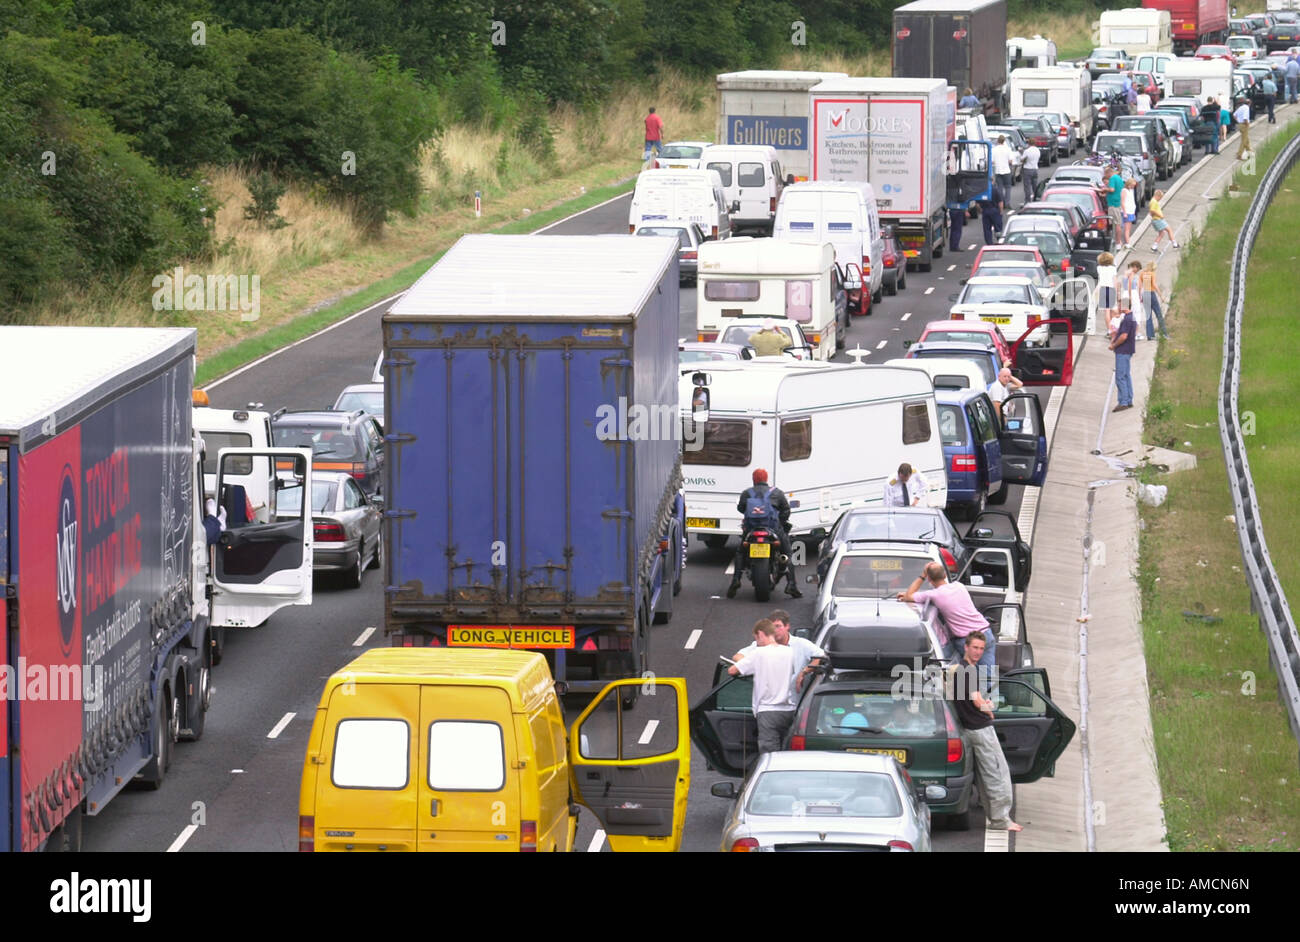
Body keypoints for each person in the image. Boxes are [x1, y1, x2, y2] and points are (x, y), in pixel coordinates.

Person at [947, 633, 1021, 831]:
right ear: (966, 647)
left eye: (981, 648)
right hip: (980, 729)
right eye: (975, 648)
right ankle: (1001, 820)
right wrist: (988, 710)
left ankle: (996, 816)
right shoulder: (968, 671)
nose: (978, 652)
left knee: (983, 776)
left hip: (967, 728)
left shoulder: (957, 670)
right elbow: (976, 700)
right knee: (997, 773)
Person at [898, 561, 997, 675]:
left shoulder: (933, 595)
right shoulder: (959, 586)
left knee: (970, 678)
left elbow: (909, 596)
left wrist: (922, 575)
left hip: (968, 639)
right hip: (986, 632)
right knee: (989, 677)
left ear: (929, 579)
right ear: (945, 575)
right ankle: (989, 692)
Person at [727, 468, 802, 598]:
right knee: (787, 553)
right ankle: (791, 585)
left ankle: (736, 580)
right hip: (772, 529)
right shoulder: (777, 492)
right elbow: (786, 510)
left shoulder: (747, 493)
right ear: (766, 479)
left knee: (740, 552)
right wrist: (780, 522)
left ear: (754, 480)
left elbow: (740, 508)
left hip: (752, 529)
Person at [728, 619, 797, 753]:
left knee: (769, 753)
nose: (757, 642)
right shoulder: (789, 652)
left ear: (760, 633)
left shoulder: (759, 653)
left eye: (756, 638)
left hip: (768, 710)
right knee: (787, 751)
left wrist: (750, 664)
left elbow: (732, 670)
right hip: (789, 709)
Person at [733, 609, 826, 695]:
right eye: (772, 627)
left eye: (778, 626)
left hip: (795, 705)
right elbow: (738, 656)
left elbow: (822, 656)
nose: (775, 631)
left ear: (787, 626)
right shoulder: (761, 644)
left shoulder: (801, 644)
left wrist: (804, 672)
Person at [1109, 297, 1137, 412]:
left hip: (1123, 351)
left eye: (1120, 305)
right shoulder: (1131, 317)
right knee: (1126, 375)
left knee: (1120, 376)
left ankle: (1123, 402)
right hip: (1128, 350)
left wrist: (1114, 345)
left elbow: (1124, 336)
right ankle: (1129, 399)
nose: (1118, 308)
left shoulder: (1126, 320)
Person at [1140, 261, 1169, 340]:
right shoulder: (1152, 274)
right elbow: (1154, 285)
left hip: (1145, 294)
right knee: (1158, 314)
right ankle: (1164, 333)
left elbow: (1140, 286)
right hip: (1151, 294)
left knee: (1148, 316)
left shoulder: (1142, 273)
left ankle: (1150, 335)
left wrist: (1140, 297)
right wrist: (1161, 295)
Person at [1095, 251, 1118, 334]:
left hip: (1102, 289)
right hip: (1111, 289)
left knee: (1106, 311)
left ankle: (1109, 329)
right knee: (1112, 311)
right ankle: (1113, 327)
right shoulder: (1113, 269)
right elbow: (1115, 281)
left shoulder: (1099, 268)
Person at [991, 135, 1016, 205]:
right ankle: (1007, 202)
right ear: (1004, 141)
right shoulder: (1008, 149)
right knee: (1008, 187)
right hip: (1007, 170)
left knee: (1000, 187)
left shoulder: (994, 150)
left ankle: (1000, 202)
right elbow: (1010, 161)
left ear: (997, 141)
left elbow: (992, 161)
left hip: (998, 170)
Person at [1121, 260, 1144, 339]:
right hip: (1132, 293)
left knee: (1124, 313)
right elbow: (1130, 284)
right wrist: (1131, 296)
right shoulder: (1132, 273)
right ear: (1135, 267)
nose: (1137, 271)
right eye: (1138, 269)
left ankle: (1123, 332)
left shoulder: (1125, 273)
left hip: (1125, 293)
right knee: (1136, 313)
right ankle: (1135, 333)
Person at [1100, 165, 1124, 236]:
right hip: (1117, 202)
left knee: (1116, 224)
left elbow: (1112, 189)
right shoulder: (1118, 178)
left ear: (1108, 173)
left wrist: (1104, 189)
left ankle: (1117, 241)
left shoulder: (1112, 178)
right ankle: (1118, 241)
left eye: (1105, 174)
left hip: (1113, 204)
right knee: (1117, 223)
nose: (1106, 176)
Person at [979, 180, 1005, 245]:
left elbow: (977, 204)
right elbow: (1000, 202)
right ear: (992, 181)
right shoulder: (995, 190)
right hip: (995, 211)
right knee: (998, 227)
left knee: (987, 228)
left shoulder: (982, 191)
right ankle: (999, 241)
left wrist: (981, 210)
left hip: (985, 211)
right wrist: (1001, 211)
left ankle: (989, 243)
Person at [1020, 140, 1041, 205]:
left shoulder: (1027, 151)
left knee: (1027, 186)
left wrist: (1021, 153)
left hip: (1027, 169)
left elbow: (1022, 159)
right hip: (1035, 169)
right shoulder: (1037, 150)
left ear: (1029, 143)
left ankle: (1027, 200)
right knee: (1035, 186)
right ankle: (1036, 199)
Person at [1120, 179, 1137, 249]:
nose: (1133, 187)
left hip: (1131, 211)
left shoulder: (1131, 190)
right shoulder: (1124, 191)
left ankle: (1127, 242)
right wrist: (1124, 212)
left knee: (1128, 228)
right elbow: (1122, 202)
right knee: (1126, 228)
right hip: (1127, 211)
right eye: (1132, 185)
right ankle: (1127, 243)